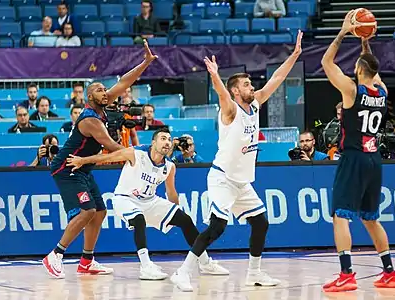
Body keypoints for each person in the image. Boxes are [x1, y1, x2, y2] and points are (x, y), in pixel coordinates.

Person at [170, 30, 303, 292]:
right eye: (247, 85)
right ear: (235, 90)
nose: (252, 87)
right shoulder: (231, 109)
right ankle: (183, 272)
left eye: (252, 84)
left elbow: (277, 78)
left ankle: (254, 272)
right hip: (222, 177)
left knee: (261, 222)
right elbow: (222, 94)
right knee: (217, 227)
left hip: (242, 181)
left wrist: (295, 54)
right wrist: (215, 76)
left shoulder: (256, 104)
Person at [42, 41, 158, 279]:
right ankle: (55, 255)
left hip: (83, 168)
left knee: (100, 212)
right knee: (86, 212)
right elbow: (112, 147)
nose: (105, 92)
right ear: (89, 96)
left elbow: (125, 81)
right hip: (67, 167)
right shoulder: (90, 120)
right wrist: (140, 153)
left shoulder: (103, 105)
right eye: (99, 90)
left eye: (105, 90)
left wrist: (145, 62)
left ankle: (86, 261)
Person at [66, 128, 229, 280]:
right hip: (125, 198)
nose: (167, 142)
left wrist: (176, 210)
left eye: (169, 140)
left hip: (150, 201)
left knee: (185, 220)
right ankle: (145, 266)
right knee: (138, 219)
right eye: (163, 138)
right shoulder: (136, 154)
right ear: (153, 142)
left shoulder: (169, 166)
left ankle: (205, 263)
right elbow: (107, 157)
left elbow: (171, 192)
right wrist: (82, 160)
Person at [320, 11, 395, 292]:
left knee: (340, 216)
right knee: (371, 218)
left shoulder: (351, 91)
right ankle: (390, 272)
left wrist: (344, 33)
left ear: (357, 70)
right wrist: (365, 41)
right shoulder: (382, 92)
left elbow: (326, 62)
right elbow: (372, 67)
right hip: (374, 160)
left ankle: (346, 274)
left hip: (353, 158)